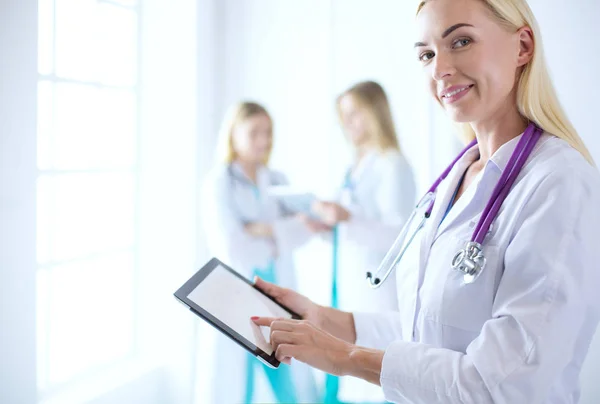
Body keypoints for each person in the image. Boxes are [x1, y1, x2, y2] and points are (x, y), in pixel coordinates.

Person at [251, 0, 600, 403]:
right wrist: (328, 321)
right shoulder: (455, 178)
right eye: (427, 54)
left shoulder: (560, 183)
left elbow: (504, 384)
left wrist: (346, 357)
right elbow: (432, 330)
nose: (439, 69)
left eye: (461, 41)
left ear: (522, 47)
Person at [305, 80, 416, 403]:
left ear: (375, 112)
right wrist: (327, 228)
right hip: (349, 282)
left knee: (372, 374)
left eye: (355, 114)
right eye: (344, 116)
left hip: (378, 291)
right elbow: (354, 230)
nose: (348, 124)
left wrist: (347, 218)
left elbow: (398, 235)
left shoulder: (392, 164)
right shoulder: (357, 165)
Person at [201, 101, 317, 403]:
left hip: (275, 296)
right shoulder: (219, 182)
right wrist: (281, 230)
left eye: (268, 132)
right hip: (235, 295)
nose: (263, 140)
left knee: (288, 383)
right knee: (238, 387)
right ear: (233, 134)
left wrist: (258, 228)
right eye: (254, 132)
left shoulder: (276, 180)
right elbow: (232, 245)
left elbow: (307, 229)